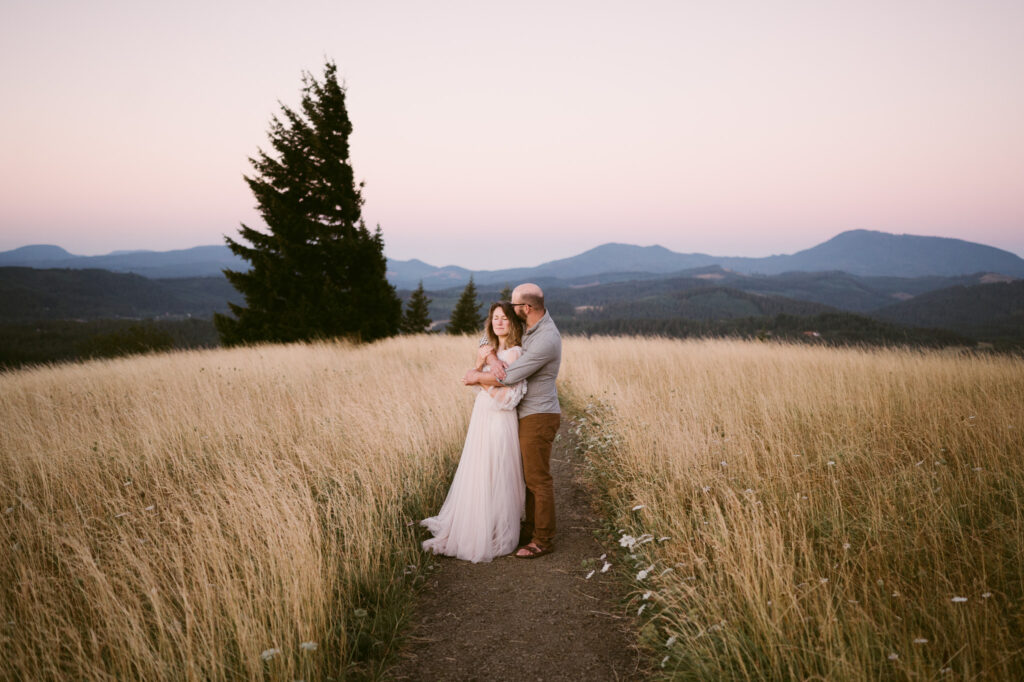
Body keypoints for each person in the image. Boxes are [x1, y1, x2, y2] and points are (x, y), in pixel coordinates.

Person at [421, 301, 528, 563]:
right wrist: (480, 368)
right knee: (479, 469)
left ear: (513, 323)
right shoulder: (492, 349)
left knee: (496, 471)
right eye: (495, 318)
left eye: (504, 318)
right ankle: (475, 523)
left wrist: (480, 380)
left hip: (499, 420)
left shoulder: (514, 353)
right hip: (481, 416)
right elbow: (472, 377)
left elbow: (507, 399)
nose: (499, 322)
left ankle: (493, 528)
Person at [464, 283, 562, 559]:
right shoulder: (530, 328)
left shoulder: (546, 339)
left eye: (514, 307)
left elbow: (509, 377)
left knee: (537, 478)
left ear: (526, 309)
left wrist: (475, 377)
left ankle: (542, 539)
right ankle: (528, 528)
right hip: (522, 414)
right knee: (524, 477)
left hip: (538, 414)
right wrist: (492, 355)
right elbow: (487, 340)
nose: (509, 311)